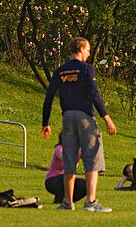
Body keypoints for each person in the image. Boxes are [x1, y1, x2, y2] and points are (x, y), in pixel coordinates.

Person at [41, 36, 117, 212]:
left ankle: (68, 202)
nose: (89, 54)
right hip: (85, 118)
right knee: (91, 159)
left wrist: (45, 122)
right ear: (81, 49)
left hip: (67, 117)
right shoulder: (86, 69)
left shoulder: (60, 71)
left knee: (69, 159)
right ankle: (91, 202)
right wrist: (106, 117)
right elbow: (94, 94)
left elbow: (49, 97)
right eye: (88, 50)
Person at [44, 139, 88, 206]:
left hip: (69, 178)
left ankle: (70, 200)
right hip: (52, 181)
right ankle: (59, 200)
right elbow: (62, 157)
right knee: (64, 178)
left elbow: (88, 158)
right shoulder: (59, 148)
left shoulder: (79, 150)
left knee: (86, 184)